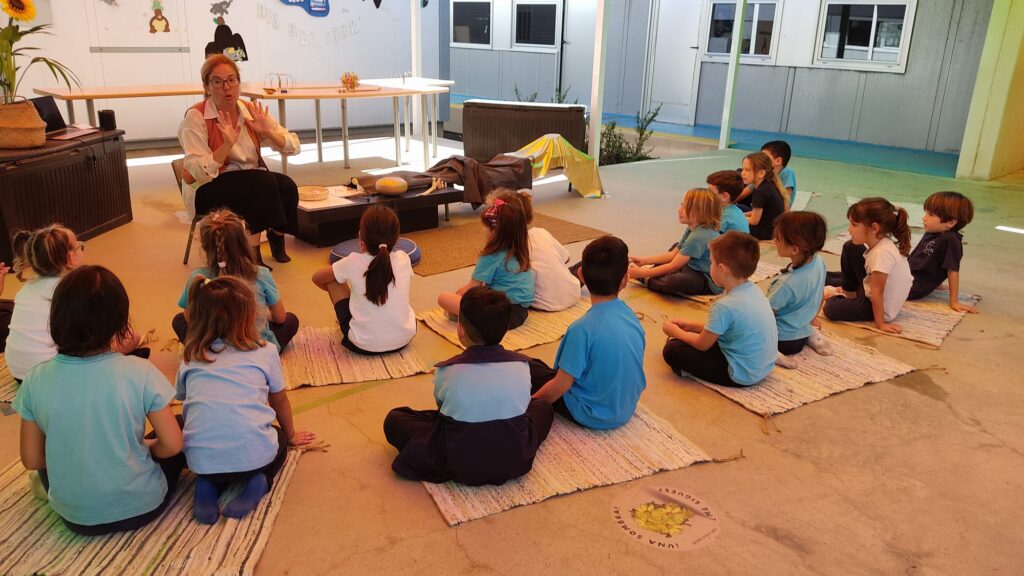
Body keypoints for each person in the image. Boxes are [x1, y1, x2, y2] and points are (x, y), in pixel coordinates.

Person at [13, 265, 186, 535]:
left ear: (55, 319)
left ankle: (72, 485)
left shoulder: (35, 379)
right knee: (181, 424)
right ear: (121, 322)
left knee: (59, 448)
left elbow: (33, 459)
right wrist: (143, 448)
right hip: (142, 506)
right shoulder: (140, 371)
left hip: (73, 517)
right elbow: (173, 445)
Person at [177, 275, 315, 523]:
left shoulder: (191, 355)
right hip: (254, 459)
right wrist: (292, 434)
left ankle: (206, 484)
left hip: (200, 461)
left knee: (193, 429)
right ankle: (259, 481)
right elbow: (279, 400)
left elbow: (186, 398)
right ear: (250, 316)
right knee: (279, 438)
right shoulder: (265, 351)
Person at [383, 286, 554, 486]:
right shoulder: (522, 365)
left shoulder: (447, 370)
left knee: (396, 419)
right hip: (514, 459)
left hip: (460, 460)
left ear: (461, 329)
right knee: (543, 407)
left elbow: (443, 411)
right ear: (506, 328)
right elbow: (523, 406)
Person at [178, 53, 301, 266]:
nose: (226, 87)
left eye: (231, 80)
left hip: (249, 181)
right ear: (207, 86)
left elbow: (294, 146)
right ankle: (251, 255)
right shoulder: (196, 117)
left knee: (287, 186)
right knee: (261, 183)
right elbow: (196, 170)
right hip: (207, 187)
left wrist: (268, 133)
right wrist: (226, 145)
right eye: (218, 82)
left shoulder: (249, 110)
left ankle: (276, 236)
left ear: (238, 82)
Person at [530, 236, 646, 429]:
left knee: (530, 368)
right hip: (625, 408)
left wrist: (529, 405)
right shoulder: (631, 317)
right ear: (625, 279)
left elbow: (561, 385)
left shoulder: (581, 329)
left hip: (589, 414)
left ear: (581, 275)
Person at [5, 225, 140, 381]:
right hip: (55, 376)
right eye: (79, 247)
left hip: (18, 372)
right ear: (71, 258)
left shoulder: (25, 290)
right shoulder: (76, 291)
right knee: (132, 337)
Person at [173, 209, 299, 352]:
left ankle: (205, 351)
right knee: (291, 320)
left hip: (212, 346)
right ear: (244, 241)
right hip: (254, 346)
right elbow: (280, 318)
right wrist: (261, 315)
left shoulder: (197, 277)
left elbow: (189, 318)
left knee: (178, 320)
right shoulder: (261, 274)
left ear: (204, 245)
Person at [662, 231, 777, 387]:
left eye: (711, 263)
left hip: (740, 374)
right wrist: (690, 326)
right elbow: (727, 329)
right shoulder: (754, 290)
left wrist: (676, 332)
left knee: (673, 349)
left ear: (722, 269)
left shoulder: (724, 306)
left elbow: (702, 344)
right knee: (694, 339)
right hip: (762, 367)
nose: (710, 267)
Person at [311, 206, 416, 354]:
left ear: (361, 237)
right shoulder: (404, 258)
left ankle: (357, 315)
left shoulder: (352, 261)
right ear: (397, 238)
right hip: (404, 339)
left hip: (363, 345)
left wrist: (353, 299)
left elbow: (317, 278)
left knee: (333, 279)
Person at [438, 196, 534, 328]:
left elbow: (472, 287)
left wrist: (459, 298)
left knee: (443, 298)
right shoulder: (519, 251)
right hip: (521, 314)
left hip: (499, 316)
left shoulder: (490, 256)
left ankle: (464, 316)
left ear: (494, 230)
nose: (482, 229)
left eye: (485, 225)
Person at [823, 198, 913, 333]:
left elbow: (878, 292)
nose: (849, 230)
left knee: (831, 308)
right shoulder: (880, 244)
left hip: (879, 307)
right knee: (850, 246)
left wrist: (881, 324)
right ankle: (849, 293)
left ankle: (840, 294)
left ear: (874, 228)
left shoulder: (882, 254)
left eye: (854, 225)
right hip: (870, 290)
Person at [628, 188, 722, 297]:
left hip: (705, 278)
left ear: (700, 213)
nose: (679, 210)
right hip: (691, 266)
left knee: (673, 282)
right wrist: (644, 261)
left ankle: (646, 278)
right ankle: (651, 275)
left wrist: (642, 273)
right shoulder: (693, 227)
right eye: (681, 205)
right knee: (676, 247)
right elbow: (673, 254)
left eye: (685, 207)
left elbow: (673, 266)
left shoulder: (699, 235)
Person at [498, 189, 581, 312]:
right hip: (574, 293)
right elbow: (566, 258)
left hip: (543, 302)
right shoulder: (541, 232)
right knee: (575, 266)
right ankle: (579, 275)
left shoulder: (507, 247)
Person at [768, 212, 831, 369]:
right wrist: (812, 318)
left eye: (778, 239)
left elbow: (765, 316)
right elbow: (819, 295)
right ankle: (811, 334)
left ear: (795, 249)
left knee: (738, 334)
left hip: (780, 340)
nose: (774, 241)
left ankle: (771, 354)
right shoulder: (819, 261)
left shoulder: (786, 284)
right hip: (801, 332)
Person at [908, 191, 976, 313]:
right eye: (926, 213)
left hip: (914, 286)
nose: (924, 218)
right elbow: (922, 257)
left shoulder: (950, 240)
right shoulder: (932, 231)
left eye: (931, 214)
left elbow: (952, 270)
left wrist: (954, 301)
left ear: (950, 222)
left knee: (874, 285)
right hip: (907, 275)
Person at [740, 152, 788, 240]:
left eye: (747, 170)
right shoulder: (768, 185)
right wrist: (742, 214)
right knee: (739, 210)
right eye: (742, 169)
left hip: (764, 233)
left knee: (732, 225)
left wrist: (737, 217)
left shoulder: (761, 192)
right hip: (771, 229)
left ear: (761, 173)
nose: (742, 173)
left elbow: (754, 221)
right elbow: (759, 212)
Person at [707, 170, 749, 234]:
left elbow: (709, 237)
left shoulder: (724, 217)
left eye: (710, 193)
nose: (706, 195)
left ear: (724, 196)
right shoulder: (735, 210)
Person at [761, 140, 797, 208]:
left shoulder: (786, 172)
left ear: (778, 161)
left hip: (776, 210)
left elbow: (786, 198)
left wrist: (785, 214)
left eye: (765, 157)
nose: (761, 160)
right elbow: (749, 189)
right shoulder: (765, 172)